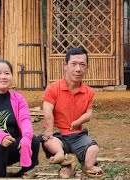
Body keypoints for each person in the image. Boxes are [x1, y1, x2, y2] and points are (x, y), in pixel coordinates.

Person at [41, 47, 103, 178]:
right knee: (49, 142)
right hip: (57, 134)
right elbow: (47, 109)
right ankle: (59, 154)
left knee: (93, 148)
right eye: (73, 64)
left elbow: (89, 113)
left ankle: (88, 166)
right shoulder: (53, 88)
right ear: (65, 65)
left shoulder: (89, 92)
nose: (78, 69)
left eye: (82, 65)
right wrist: (50, 129)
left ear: (87, 68)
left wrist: (79, 121)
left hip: (78, 135)